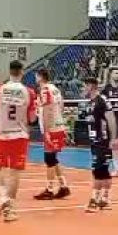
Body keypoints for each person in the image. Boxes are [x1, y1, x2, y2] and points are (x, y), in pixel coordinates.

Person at [0, 61, 37, 223]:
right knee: (14, 172)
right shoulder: (29, 92)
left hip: (1, 133)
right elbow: (32, 118)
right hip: (20, 135)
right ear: (22, 72)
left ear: (9, 71)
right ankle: (9, 209)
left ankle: (2, 196)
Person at [33, 68, 71, 201]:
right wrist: (61, 122)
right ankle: (64, 186)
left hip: (52, 129)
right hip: (58, 126)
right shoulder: (55, 88)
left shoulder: (45, 90)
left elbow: (48, 110)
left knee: (49, 159)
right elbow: (61, 105)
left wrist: (48, 130)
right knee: (53, 159)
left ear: (40, 77)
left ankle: (49, 190)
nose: (35, 79)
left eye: (36, 77)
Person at [84, 77, 117, 212]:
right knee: (103, 170)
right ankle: (105, 199)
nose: (83, 88)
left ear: (91, 86)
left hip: (102, 140)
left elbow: (111, 119)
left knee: (97, 170)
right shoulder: (90, 102)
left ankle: (94, 200)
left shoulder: (102, 100)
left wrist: (113, 139)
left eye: (85, 85)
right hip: (94, 140)